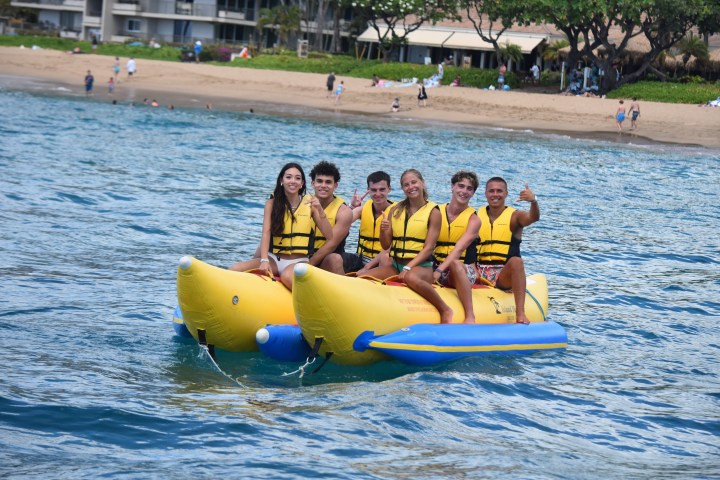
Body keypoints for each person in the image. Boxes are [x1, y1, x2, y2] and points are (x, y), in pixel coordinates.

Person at [363, 169, 454, 324]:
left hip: (422, 267)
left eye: (414, 182)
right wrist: (383, 230)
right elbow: (386, 245)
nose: (411, 187)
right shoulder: (395, 210)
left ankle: (445, 309)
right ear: (403, 188)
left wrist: (408, 267)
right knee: (362, 278)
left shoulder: (433, 212)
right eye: (406, 185)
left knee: (411, 277)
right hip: (396, 265)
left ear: (422, 183)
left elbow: (429, 248)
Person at [229, 163, 333, 290]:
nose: (293, 181)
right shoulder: (271, 204)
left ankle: (311, 299)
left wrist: (320, 211)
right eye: (288, 177)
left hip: (298, 261)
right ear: (281, 181)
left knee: (287, 277)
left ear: (302, 183)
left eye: (297, 178)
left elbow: (329, 235)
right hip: (274, 259)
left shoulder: (310, 204)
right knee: (234, 269)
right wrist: (264, 260)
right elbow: (266, 233)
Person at [474, 177, 540, 324]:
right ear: (485, 193)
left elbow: (533, 217)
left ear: (506, 194)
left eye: (499, 191)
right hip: (479, 271)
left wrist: (533, 201)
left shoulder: (515, 216)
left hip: (502, 275)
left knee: (516, 261)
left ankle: (520, 313)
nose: (495, 194)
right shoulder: (476, 216)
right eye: (491, 191)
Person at [432, 171, 481, 324]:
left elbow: (459, 249)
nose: (464, 191)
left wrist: (438, 271)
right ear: (452, 187)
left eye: (469, 188)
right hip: (435, 265)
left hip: (461, 270)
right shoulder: (435, 212)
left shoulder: (474, 219)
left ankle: (470, 315)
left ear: (473, 193)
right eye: (461, 186)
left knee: (455, 264)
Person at [324, 171, 393, 275]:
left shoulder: (397, 212)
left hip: (381, 261)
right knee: (333, 258)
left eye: (382, 189)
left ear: (389, 189)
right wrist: (351, 206)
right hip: (360, 259)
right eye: (373, 190)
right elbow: (341, 222)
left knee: (386, 258)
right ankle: (342, 288)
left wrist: (367, 267)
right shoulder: (363, 208)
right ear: (368, 190)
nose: (377, 194)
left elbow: (391, 247)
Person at [307, 161, 353, 273]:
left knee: (334, 259)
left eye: (328, 182)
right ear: (313, 183)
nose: (323, 186)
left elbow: (331, 244)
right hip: (304, 255)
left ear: (335, 185)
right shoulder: (302, 204)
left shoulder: (344, 211)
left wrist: (307, 266)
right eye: (319, 181)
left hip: (329, 258)